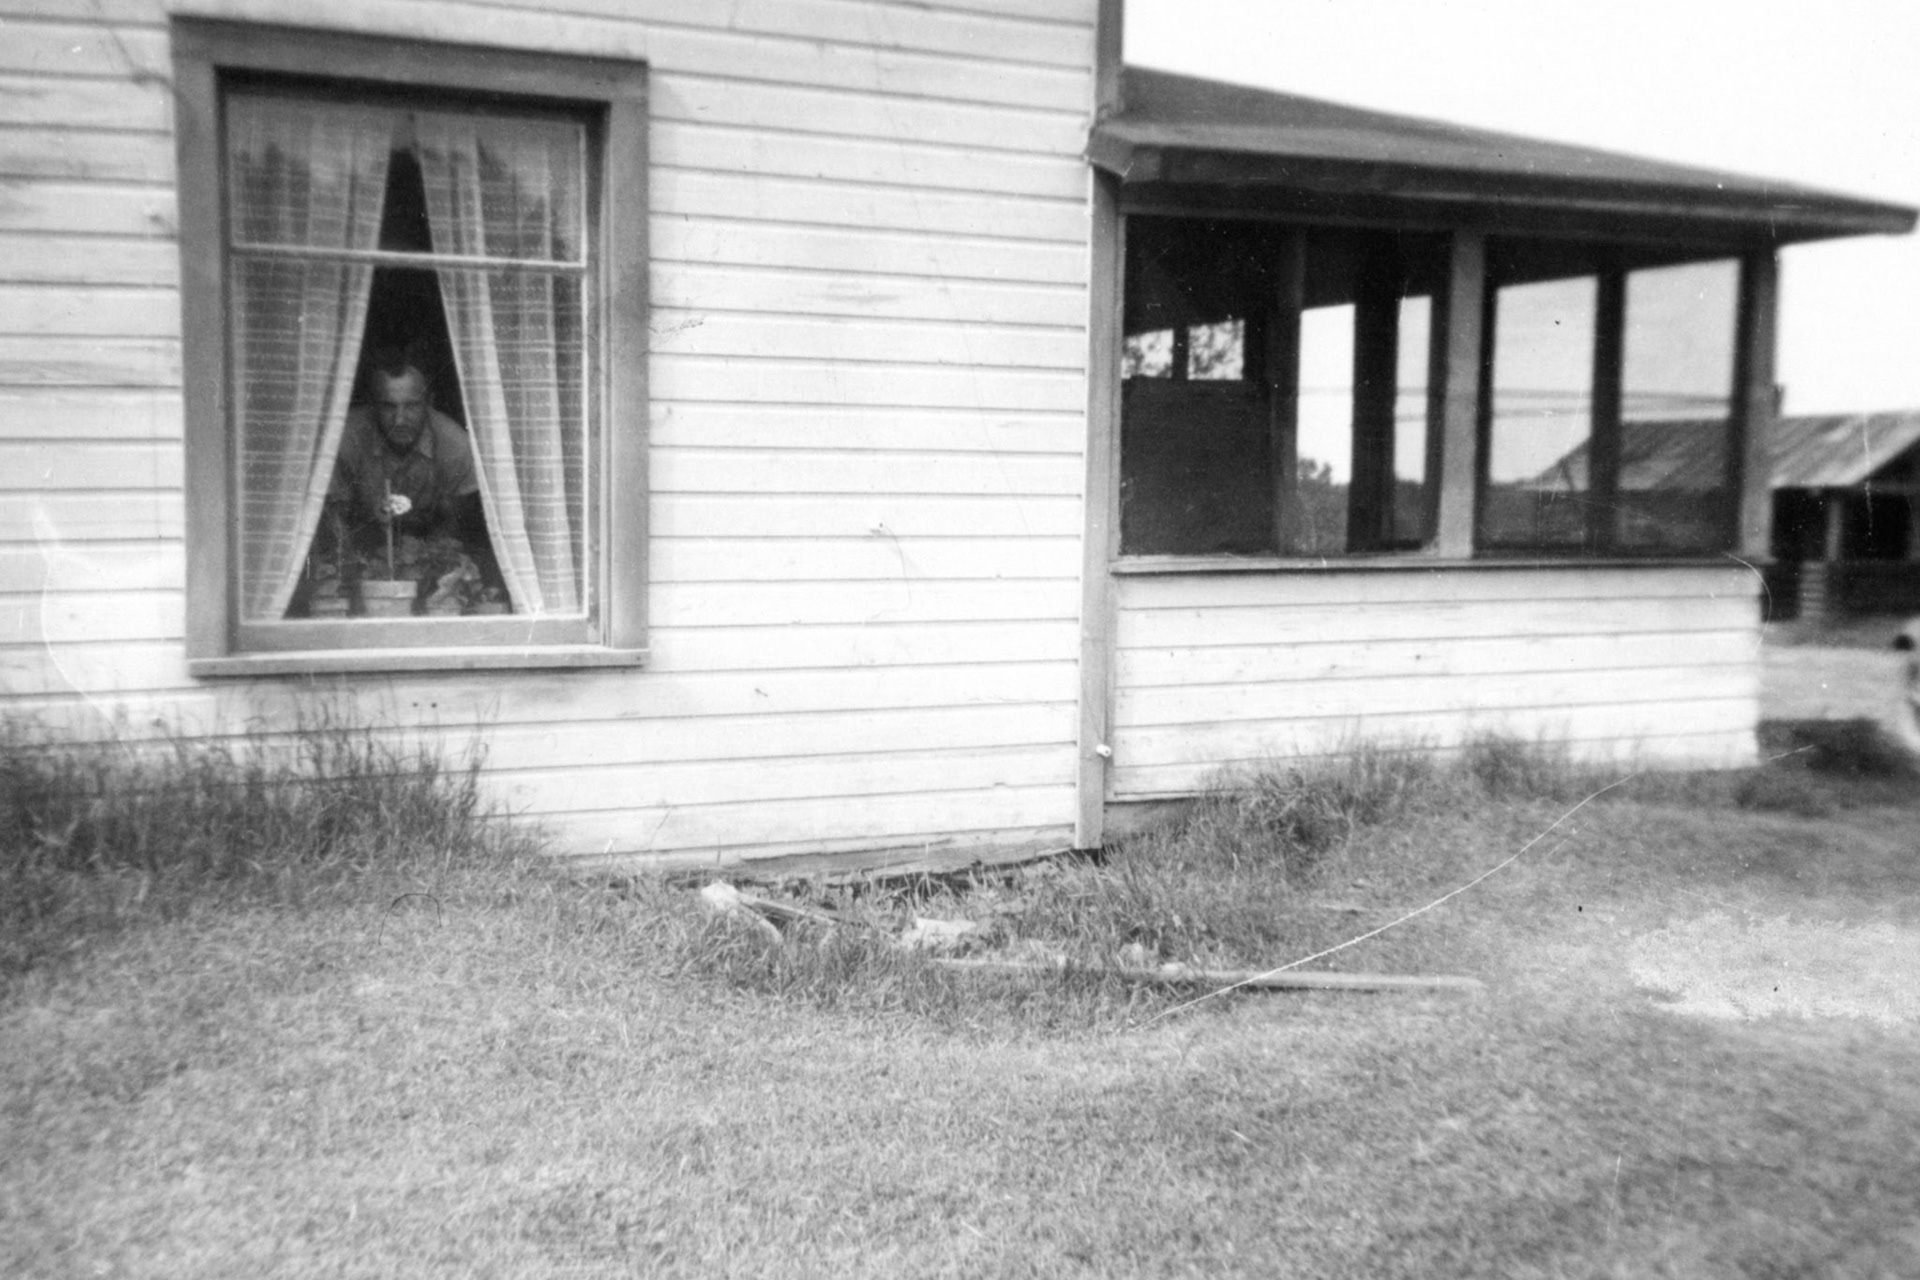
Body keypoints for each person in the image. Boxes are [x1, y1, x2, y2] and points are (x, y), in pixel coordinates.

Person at [312, 350, 503, 613]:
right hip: (360, 554)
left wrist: (421, 570)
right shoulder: (345, 439)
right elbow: (332, 523)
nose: (400, 419)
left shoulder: (454, 445)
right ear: (373, 405)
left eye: (411, 406)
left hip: (429, 557)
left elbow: (459, 528)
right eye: (389, 406)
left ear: (429, 402)